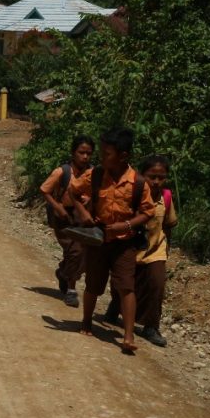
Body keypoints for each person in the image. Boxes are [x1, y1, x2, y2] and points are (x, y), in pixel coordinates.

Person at [67, 126, 155, 353]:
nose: (101, 157)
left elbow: (147, 212)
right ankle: (86, 321)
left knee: (126, 286)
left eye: (107, 153)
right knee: (94, 283)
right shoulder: (95, 175)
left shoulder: (138, 183)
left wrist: (125, 225)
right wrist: (85, 215)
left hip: (124, 242)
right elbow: (73, 191)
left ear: (123, 156)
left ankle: (128, 335)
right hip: (99, 238)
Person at [104, 155, 178, 346]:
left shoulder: (166, 197)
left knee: (156, 283)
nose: (156, 181)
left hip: (155, 249)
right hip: (129, 247)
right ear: (141, 175)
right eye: (151, 176)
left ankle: (151, 326)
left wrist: (166, 247)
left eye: (161, 177)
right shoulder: (132, 194)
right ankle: (116, 306)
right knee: (124, 282)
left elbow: (169, 224)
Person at [40, 135, 95, 307]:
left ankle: (64, 272)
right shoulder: (62, 172)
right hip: (64, 218)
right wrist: (58, 208)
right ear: (73, 153)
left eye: (88, 153)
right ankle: (71, 290)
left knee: (84, 255)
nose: (85, 157)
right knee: (74, 252)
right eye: (81, 152)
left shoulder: (93, 173)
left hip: (84, 217)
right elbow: (44, 190)